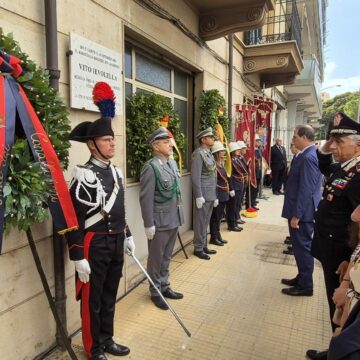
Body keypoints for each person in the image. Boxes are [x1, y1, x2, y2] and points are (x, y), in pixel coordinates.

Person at [67, 105, 134, 358]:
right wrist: (77, 256)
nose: (112, 144)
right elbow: (73, 220)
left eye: (112, 139)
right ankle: (93, 348)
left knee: (108, 296)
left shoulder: (115, 172)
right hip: (94, 245)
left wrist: (127, 235)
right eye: (106, 140)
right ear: (92, 145)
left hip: (116, 242)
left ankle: (106, 339)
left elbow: (119, 210)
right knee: (91, 301)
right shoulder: (84, 175)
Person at [307, 112, 360, 360]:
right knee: (336, 305)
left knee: (342, 307)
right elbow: (324, 162)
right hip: (331, 249)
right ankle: (333, 349)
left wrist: (350, 262)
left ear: (358, 145)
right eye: (333, 142)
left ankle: (337, 351)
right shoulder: (344, 168)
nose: (335, 147)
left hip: (342, 254)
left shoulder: (358, 176)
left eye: (341, 142)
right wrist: (332, 139)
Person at [139, 127, 184, 310]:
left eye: (169, 141)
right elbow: (145, 198)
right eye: (166, 142)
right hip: (159, 221)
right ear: (156, 146)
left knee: (167, 256)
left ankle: (165, 286)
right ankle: (155, 290)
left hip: (173, 218)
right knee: (156, 259)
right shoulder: (150, 167)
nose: (170, 144)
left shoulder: (171, 164)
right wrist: (148, 224)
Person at [281, 125, 322, 296]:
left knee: (303, 248)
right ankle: (302, 277)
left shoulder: (308, 157)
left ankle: (306, 286)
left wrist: (297, 214)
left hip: (302, 214)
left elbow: (306, 189)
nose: (293, 140)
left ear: (304, 137)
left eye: (296, 136)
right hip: (298, 210)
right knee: (298, 248)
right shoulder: (305, 154)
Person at [191, 127, 217, 260]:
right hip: (203, 195)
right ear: (203, 139)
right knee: (200, 222)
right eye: (210, 137)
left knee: (206, 221)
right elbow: (195, 177)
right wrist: (198, 195)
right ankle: (198, 248)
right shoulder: (198, 154)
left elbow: (213, 175)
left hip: (210, 193)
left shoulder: (209, 153)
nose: (213, 139)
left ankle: (203, 244)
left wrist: (215, 194)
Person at [283, 143, 300, 255]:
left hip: (296, 198)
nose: (291, 149)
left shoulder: (303, 158)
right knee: (291, 223)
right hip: (291, 196)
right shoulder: (296, 157)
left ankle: (295, 245)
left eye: (292, 146)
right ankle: (294, 241)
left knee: (297, 227)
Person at [226, 141, 246, 230]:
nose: (238, 151)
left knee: (237, 204)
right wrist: (231, 188)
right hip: (234, 184)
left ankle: (234, 222)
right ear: (233, 151)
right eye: (236, 150)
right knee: (232, 206)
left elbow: (243, 170)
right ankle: (231, 224)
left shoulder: (237, 159)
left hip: (239, 183)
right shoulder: (230, 161)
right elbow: (229, 175)